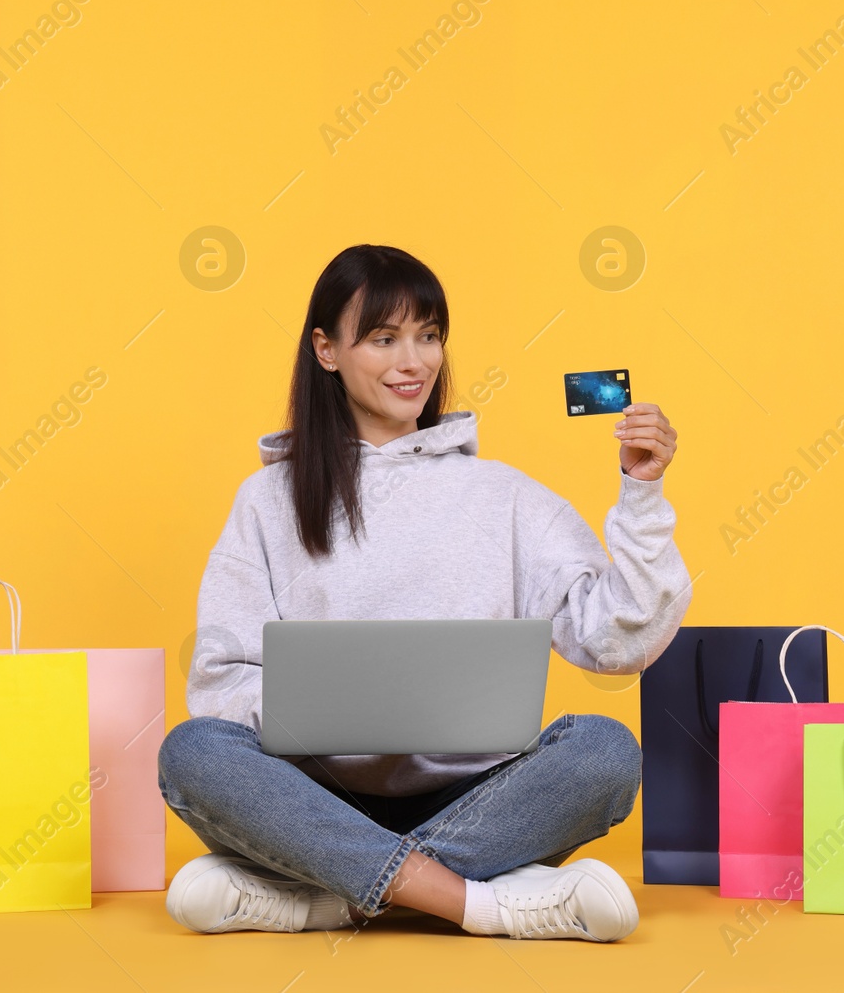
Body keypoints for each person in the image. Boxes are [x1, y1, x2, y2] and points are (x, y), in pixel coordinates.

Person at [158, 244, 694, 941]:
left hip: (478, 797)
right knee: (192, 752)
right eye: (384, 338)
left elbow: (619, 641)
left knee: (606, 751)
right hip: (309, 798)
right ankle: (478, 903)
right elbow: (219, 680)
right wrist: (318, 709)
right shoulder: (266, 501)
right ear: (327, 350)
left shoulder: (503, 495)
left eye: (429, 335)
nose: (414, 362)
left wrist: (643, 493)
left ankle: (330, 894)